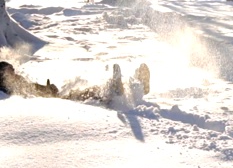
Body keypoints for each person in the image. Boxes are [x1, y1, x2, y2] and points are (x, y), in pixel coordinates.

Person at [0, 61, 150, 102]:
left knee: (81, 93)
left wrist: (49, 89)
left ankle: (137, 86)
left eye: (13, 69)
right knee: (83, 96)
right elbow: (30, 96)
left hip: (55, 100)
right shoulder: (8, 90)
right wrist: (48, 93)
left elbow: (33, 88)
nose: (14, 72)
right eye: (10, 71)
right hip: (54, 107)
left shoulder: (17, 82)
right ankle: (113, 91)